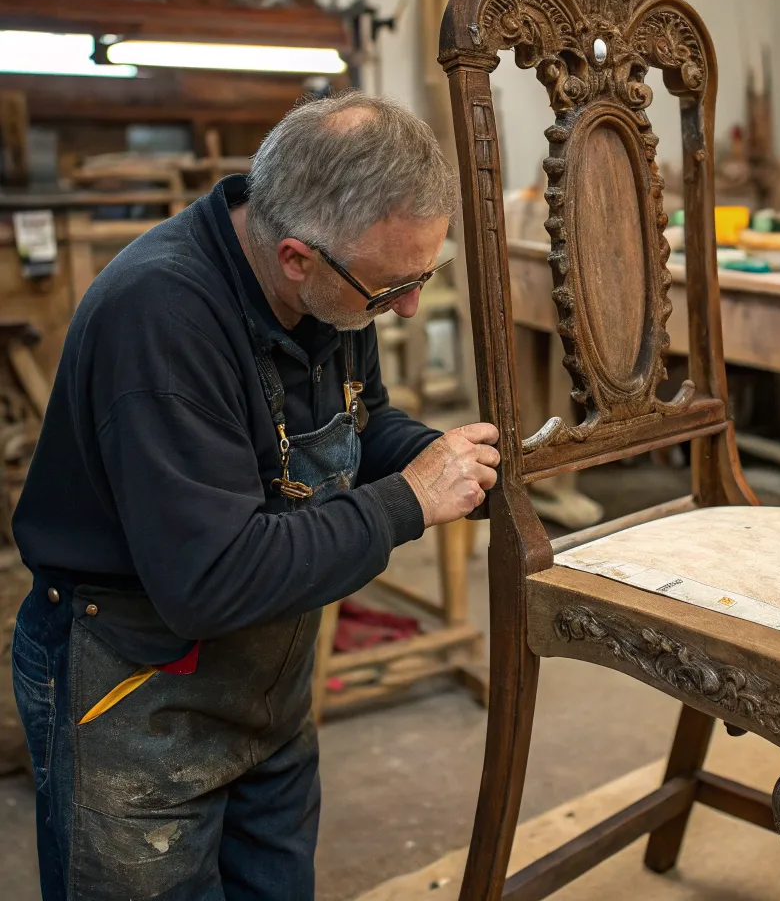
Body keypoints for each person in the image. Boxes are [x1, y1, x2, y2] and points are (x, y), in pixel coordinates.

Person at [10, 91, 499, 900]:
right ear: (297, 256)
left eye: (423, 277)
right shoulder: (162, 318)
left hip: (268, 686)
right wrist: (407, 501)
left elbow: (360, 416)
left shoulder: (335, 275)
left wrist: (445, 462)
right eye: (389, 291)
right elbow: (210, 581)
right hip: (134, 689)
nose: (407, 307)